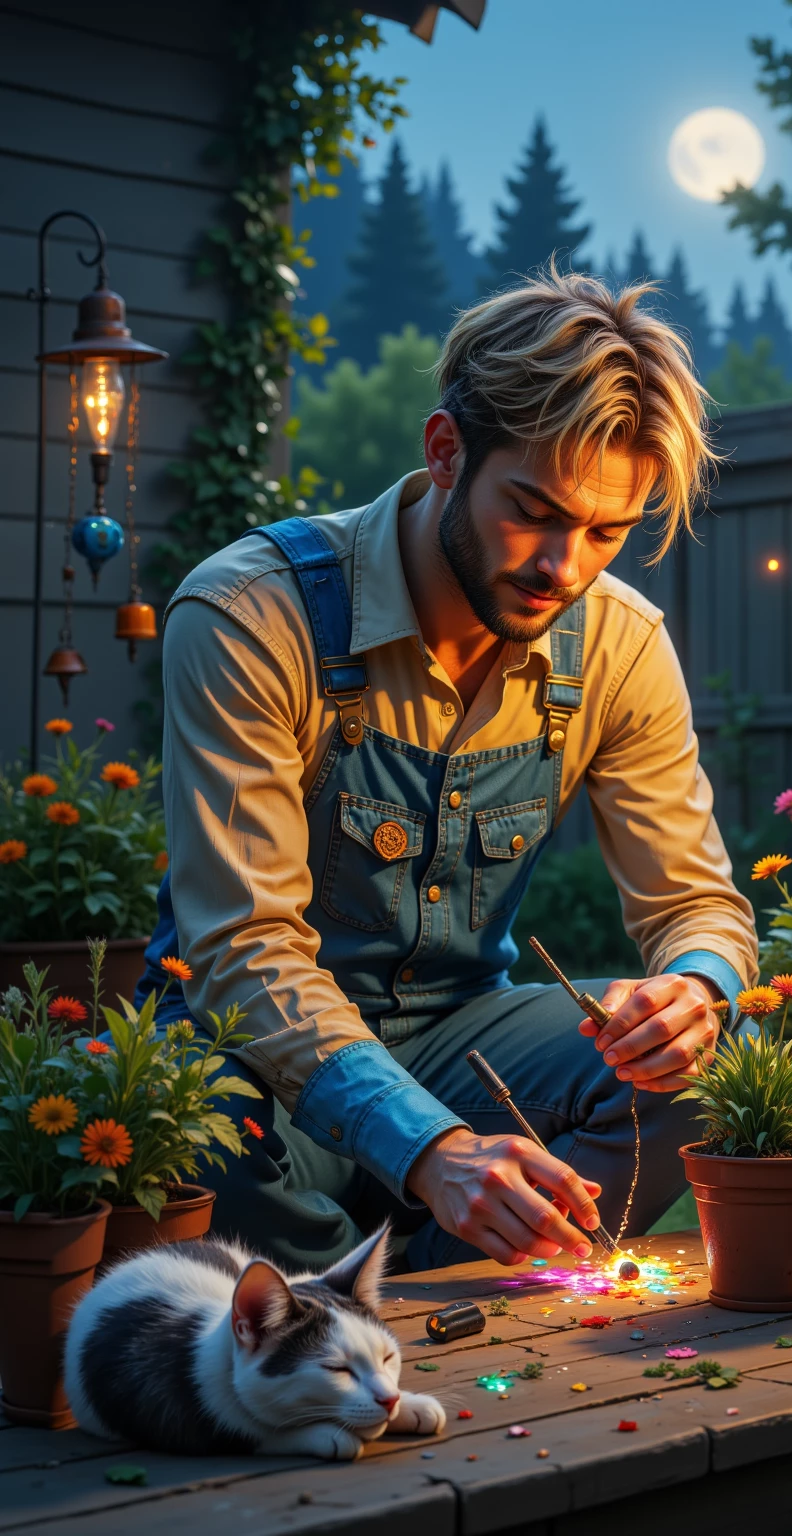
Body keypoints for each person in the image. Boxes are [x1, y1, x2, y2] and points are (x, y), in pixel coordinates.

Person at [139, 269, 757, 1273]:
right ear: (443, 451)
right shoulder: (249, 616)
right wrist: (428, 1149)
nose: (564, 566)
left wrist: (696, 990)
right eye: (534, 511)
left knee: (708, 1075)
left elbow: (699, 904)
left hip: (463, 1037)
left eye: (607, 532)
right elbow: (242, 952)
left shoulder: (619, 645)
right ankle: (344, 1314)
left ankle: (432, 1297)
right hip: (252, 1055)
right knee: (200, 1137)